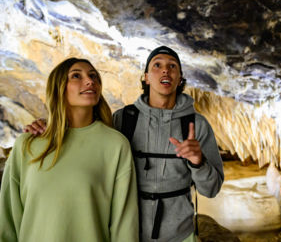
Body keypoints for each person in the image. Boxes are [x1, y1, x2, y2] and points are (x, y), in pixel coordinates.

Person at [24, 46, 224, 242]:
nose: (165, 70)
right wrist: (47, 125)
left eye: (173, 66)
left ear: (180, 78)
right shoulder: (124, 119)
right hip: (128, 233)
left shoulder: (197, 125)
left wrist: (198, 162)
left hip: (180, 235)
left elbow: (211, 189)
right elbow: (84, 132)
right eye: (157, 65)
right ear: (146, 77)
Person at [0, 58, 139, 242]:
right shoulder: (27, 144)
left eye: (93, 76)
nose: (90, 81)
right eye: (76, 76)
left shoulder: (116, 145)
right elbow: (8, 219)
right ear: (58, 87)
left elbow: (125, 225)